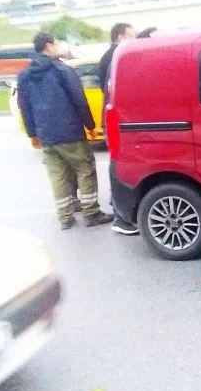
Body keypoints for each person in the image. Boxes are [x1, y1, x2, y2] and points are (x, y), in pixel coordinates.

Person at [18, 33, 113, 230]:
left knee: (58, 174)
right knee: (84, 168)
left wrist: (32, 134)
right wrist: (90, 124)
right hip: (69, 131)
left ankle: (65, 216)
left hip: (46, 135)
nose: (58, 47)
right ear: (48, 46)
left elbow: (24, 107)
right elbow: (79, 99)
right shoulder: (62, 70)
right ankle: (91, 212)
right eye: (56, 44)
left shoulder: (25, 75)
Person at [98, 22, 138, 234]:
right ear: (120, 37)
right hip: (115, 118)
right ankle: (120, 215)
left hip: (113, 116)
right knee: (118, 164)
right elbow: (111, 89)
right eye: (131, 35)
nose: (134, 39)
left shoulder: (111, 56)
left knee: (118, 164)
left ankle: (118, 208)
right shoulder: (117, 57)